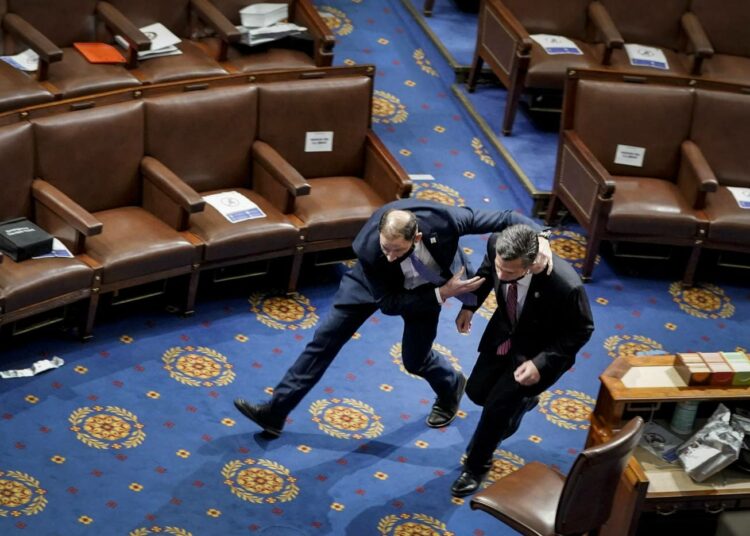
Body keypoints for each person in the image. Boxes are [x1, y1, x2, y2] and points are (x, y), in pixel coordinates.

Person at [234, 199, 552, 438]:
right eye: (385, 247)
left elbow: (506, 218)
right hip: (374, 286)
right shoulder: (372, 251)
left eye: (395, 249)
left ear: (416, 237)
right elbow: (388, 303)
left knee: (415, 360)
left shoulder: (445, 221)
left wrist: (541, 238)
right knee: (323, 342)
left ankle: (450, 384)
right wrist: (443, 295)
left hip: (427, 286)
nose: (389, 254)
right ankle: (275, 414)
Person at [450, 224, 594, 497]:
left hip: (537, 353)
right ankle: (524, 402)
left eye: (511, 273)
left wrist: (541, 363)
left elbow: (582, 330)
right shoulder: (497, 245)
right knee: (477, 392)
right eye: (500, 267)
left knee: (495, 410)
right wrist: (469, 305)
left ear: (531, 266)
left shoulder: (565, 284)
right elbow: (484, 274)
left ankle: (476, 466)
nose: (502, 276)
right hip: (505, 335)